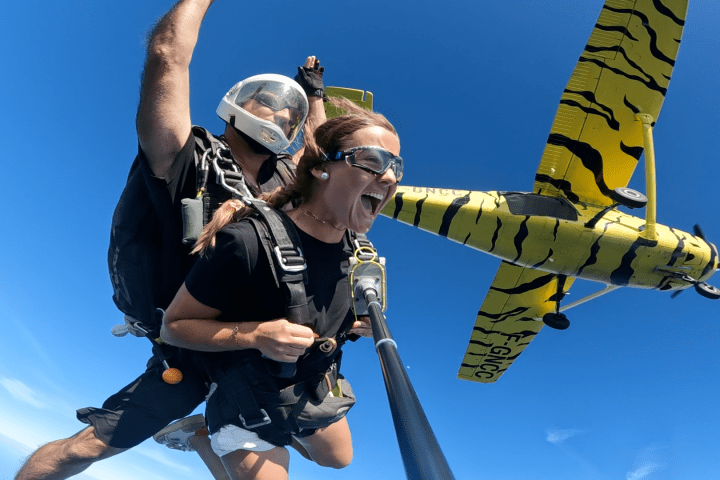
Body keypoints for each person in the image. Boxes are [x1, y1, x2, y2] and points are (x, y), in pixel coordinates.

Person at [13, 0, 327, 478]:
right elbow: (167, 54)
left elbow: (323, 160)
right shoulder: (184, 160)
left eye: (292, 113)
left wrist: (315, 95)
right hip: (186, 345)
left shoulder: (281, 189)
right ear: (237, 105)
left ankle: (205, 436)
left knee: (312, 454)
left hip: (258, 346)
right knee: (87, 448)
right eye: (270, 102)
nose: (283, 114)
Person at [160, 97, 403, 480]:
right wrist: (254, 334)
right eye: (372, 162)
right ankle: (210, 436)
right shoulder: (246, 242)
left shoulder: (357, 252)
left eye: (395, 168)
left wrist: (350, 327)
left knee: (338, 459)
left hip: (306, 386)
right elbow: (173, 326)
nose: (389, 178)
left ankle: (248, 440)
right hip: (247, 390)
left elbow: (318, 306)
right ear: (323, 167)